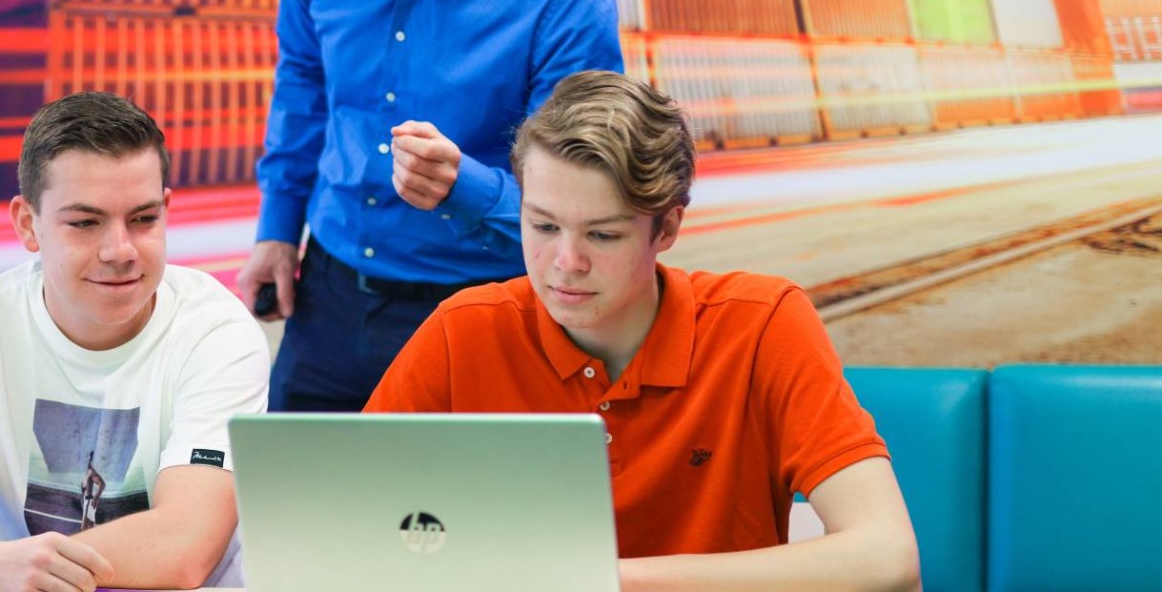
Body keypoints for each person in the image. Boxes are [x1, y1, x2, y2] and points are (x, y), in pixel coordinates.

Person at [366, 71, 921, 591]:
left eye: (602, 236)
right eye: (542, 225)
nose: (565, 262)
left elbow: (889, 556)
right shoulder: (462, 331)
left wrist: (599, 579)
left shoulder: (764, 322)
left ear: (668, 228)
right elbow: (345, 522)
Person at [238, 0, 625, 412]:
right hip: (328, 302)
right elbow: (303, 77)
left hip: (481, 316)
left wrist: (464, 185)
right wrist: (277, 229)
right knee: (297, 507)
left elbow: (586, 204)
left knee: (473, 516)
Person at [0, 91, 270, 592]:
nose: (120, 250)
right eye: (85, 223)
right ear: (27, 224)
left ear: (167, 210)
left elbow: (181, 549)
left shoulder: (217, 333)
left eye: (144, 219)